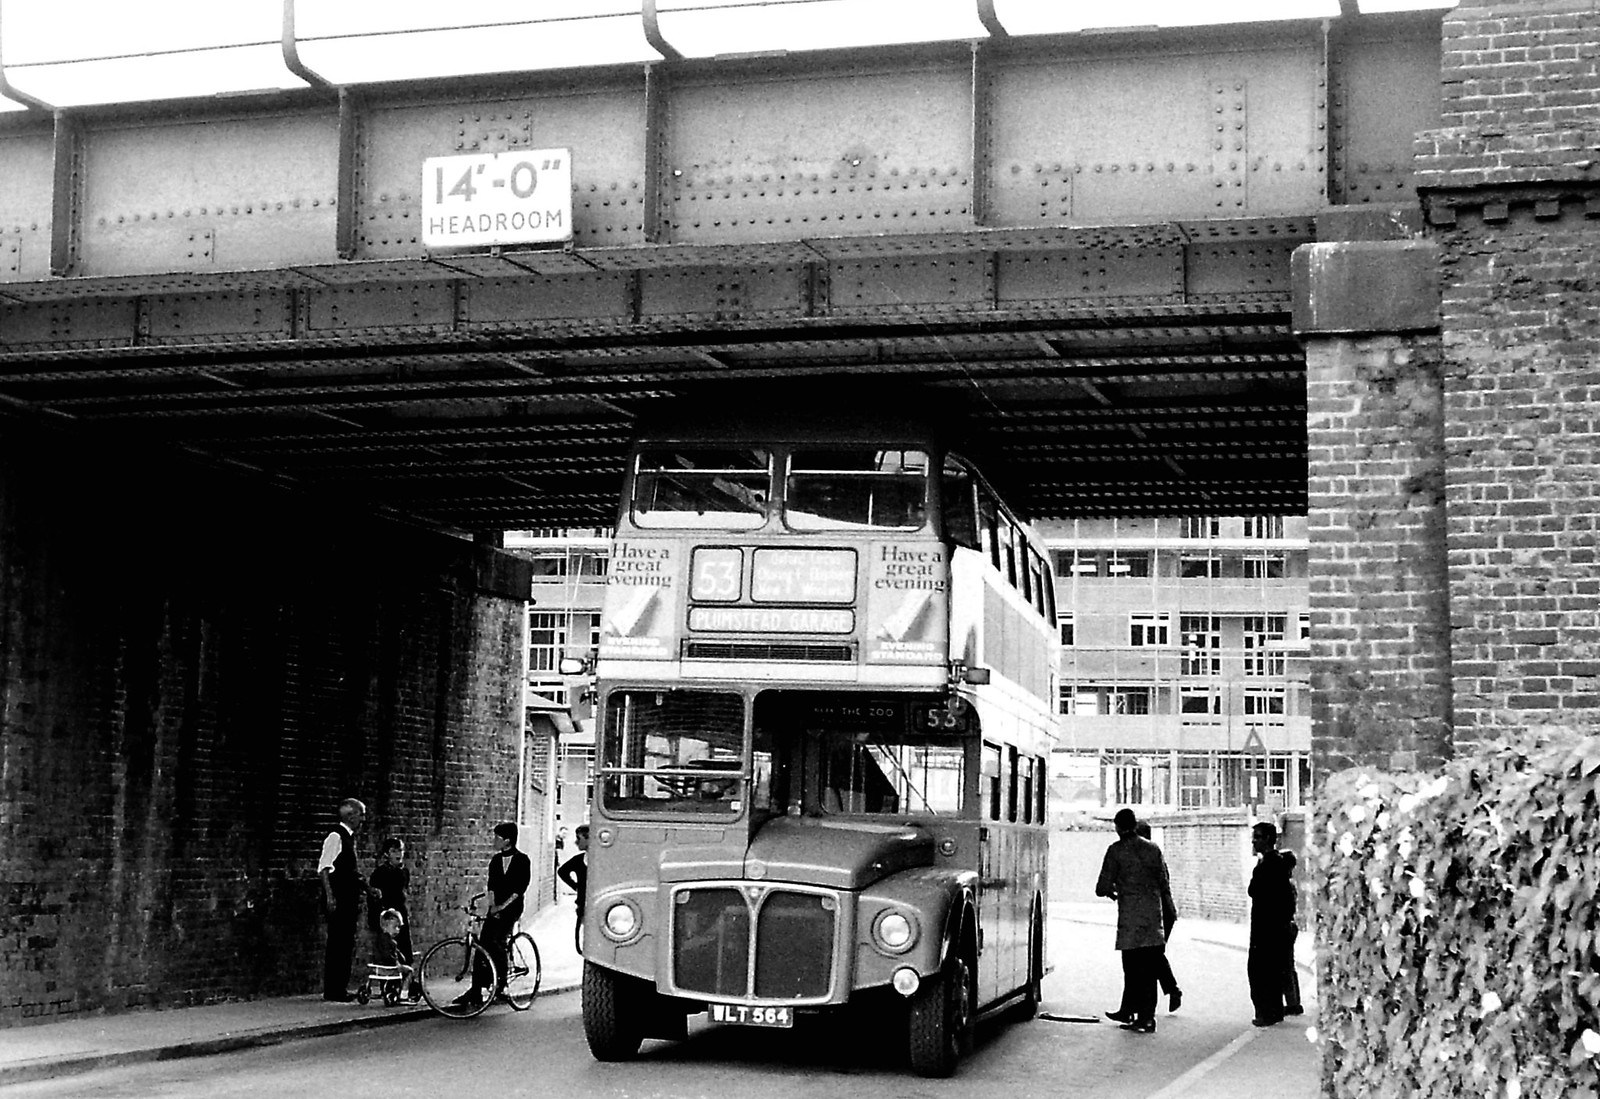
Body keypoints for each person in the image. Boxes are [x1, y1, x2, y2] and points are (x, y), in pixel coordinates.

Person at [1096, 808, 1177, 1034]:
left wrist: (1115, 890)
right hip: (1153, 917)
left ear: (1118, 826)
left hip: (1130, 919)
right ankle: (1147, 1018)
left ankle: (1134, 1013)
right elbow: (1163, 882)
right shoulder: (1153, 849)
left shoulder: (1115, 851)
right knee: (1150, 970)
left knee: (1132, 970)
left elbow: (1101, 887)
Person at [457, 821, 531, 1008]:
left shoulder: (522, 860)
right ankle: (476, 989)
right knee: (482, 945)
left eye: (497, 837)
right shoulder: (496, 861)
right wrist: (492, 905)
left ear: (507, 840)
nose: (494, 841)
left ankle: (502, 982)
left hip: (512, 907)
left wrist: (502, 907)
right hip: (496, 907)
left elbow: (519, 889)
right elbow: (492, 886)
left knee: (497, 942)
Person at [317, 797, 368, 1002]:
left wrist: (366, 887)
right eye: (360, 815)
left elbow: (350, 871)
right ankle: (334, 989)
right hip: (340, 898)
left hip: (348, 898)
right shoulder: (335, 837)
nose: (363, 820)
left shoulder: (348, 838)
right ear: (350, 815)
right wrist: (330, 896)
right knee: (338, 943)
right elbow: (324, 868)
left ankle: (340, 986)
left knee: (345, 942)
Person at [1248, 821, 1295, 1026]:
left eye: (1258, 837)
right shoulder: (1279, 864)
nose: (1254, 841)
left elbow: (1254, 890)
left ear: (1268, 839)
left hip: (1266, 926)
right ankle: (1274, 1010)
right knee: (1273, 970)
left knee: (1260, 972)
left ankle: (1266, 1012)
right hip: (1276, 925)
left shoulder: (1268, 865)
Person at [368, 837, 413, 989]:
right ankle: (388, 985)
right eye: (394, 851)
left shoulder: (404, 872)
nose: (398, 854)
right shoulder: (380, 873)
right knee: (388, 952)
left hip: (400, 915)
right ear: (387, 854)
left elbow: (404, 893)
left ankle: (403, 985)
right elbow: (374, 898)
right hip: (387, 915)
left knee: (404, 950)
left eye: (400, 850)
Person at [557, 824, 589, 954]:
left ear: (589, 839)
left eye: (579, 838)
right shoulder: (579, 860)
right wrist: (577, 887)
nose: (576, 842)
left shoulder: (601, 860)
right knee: (581, 944)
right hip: (583, 906)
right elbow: (562, 871)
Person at [1280, 849, 1304, 1016]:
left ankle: (1292, 1003)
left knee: (1285, 966)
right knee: (1288, 965)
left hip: (1285, 927)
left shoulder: (1285, 884)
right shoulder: (1290, 883)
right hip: (1290, 925)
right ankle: (1293, 1001)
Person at [373, 907, 415, 995]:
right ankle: (404, 993)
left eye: (398, 927)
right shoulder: (391, 942)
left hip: (379, 967)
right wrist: (397, 962)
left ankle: (387, 989)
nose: (397, 930)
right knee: (409, 971)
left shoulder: (379, 939)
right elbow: (389, 955)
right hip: (390, 967)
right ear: (385, 927)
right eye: (395, 927)